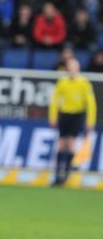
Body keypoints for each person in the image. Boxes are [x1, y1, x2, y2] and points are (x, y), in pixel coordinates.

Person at [49, 57, 97, 186]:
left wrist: (90, 121)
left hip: (76, 115)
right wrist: (53, 117)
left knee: (70, 144)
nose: (71, 71)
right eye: (69, 68)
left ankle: (66, 173)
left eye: (73, 68)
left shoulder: (84, 83)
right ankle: (58, 173)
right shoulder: (62, 82)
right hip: (64, 114)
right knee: (60, 144)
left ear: (78, 69)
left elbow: (90, 104)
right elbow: (55, 100)